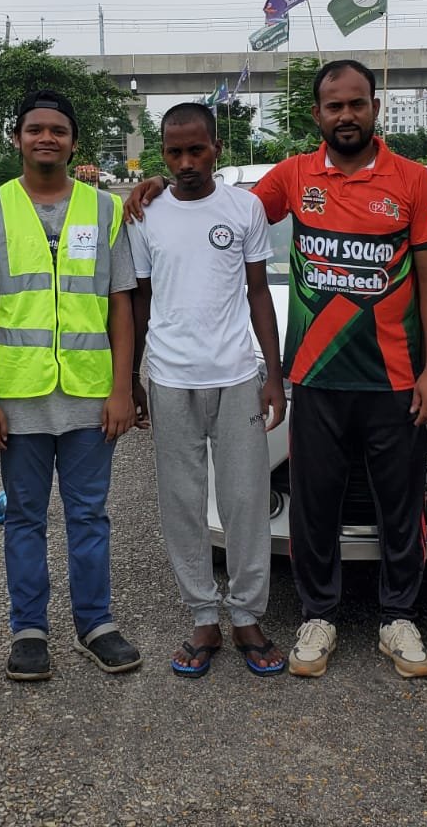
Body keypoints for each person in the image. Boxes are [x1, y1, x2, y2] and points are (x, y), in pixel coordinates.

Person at [130, 59, 427, 679]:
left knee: (400, 501)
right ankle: (318, 613)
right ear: (318, 116)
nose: (346, 116)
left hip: (394, 374)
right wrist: (152, 184)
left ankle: (399, 616)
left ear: (375, 108)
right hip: (317, 373)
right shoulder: (293, 175)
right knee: (313, 504)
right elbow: (215, 211)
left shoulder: (414, 180)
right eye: (334, 107)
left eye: (357, 104)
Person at [0, 89, 142, 681]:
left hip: (91, 395)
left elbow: (121, 304)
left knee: (90, 515)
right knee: (25, 517)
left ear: (74, 142)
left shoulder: (105, 210)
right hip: (20, 396)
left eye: (58, 131)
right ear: (16, 137)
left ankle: (96, 623)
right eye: (35, 129)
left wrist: (122, 387)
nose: (46, 138)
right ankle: (30, 630)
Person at [127, 103, 287, 677]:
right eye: (174, 152)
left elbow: (259, 293)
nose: (186, 162)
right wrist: (131, 381)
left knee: (246, 502)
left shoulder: (244, 209)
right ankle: (202, 615)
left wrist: (274, 372)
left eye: (197, 150)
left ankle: (247, 615)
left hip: (237, 375)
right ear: (162, 153)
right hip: (170, 378)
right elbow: (140, 301)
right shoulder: (145, 214)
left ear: (217, 147)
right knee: (181, 503)